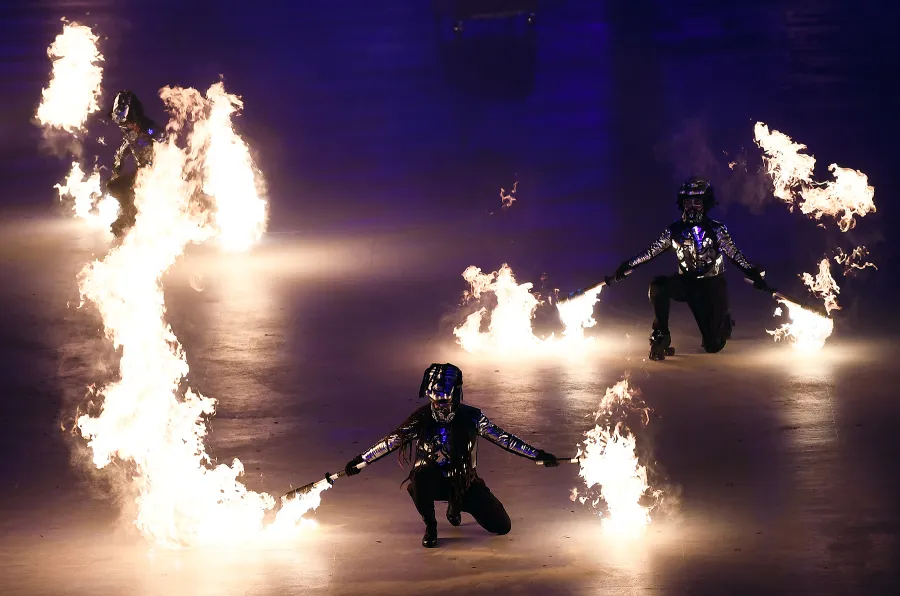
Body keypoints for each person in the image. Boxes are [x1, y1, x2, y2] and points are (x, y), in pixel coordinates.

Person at [343, 363, 560, 548]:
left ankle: (456, 505)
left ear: (455, 396)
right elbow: (392, 441)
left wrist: (537, 455)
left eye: (444, 401)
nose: (439, 406)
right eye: (435, 402)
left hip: (464, 482)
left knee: (502, 527)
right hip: (431, 481)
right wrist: (361, 459)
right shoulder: (421, 417)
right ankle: (431, 525)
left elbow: (504, 438)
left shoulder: (472, 417)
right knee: (418, 480)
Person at [610, 177, 770, 361]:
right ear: (682, 204)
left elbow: (735, 254)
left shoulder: (717, 229)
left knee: (712, 346)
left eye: (697, 203)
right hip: (686, 283)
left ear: (705, 204)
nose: (692, 207)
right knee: (658, 286)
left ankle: (722, 322)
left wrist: (752, 272)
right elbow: (651, 251)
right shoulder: (675, 230)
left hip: (712, 286)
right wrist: (628, 265)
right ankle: (662, 334)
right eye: (688, 202)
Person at [106, 90, 165, 237]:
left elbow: (163, 138)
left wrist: (147, 136)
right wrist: (118, 165)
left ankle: (132, 218)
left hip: (157, 173)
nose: (127, 126)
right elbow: (127, 146)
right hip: (142, 172)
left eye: (128, 123)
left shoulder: (147, 127)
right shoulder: (129, 129)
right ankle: (127, 214)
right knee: (115, 186)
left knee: (135, 189)